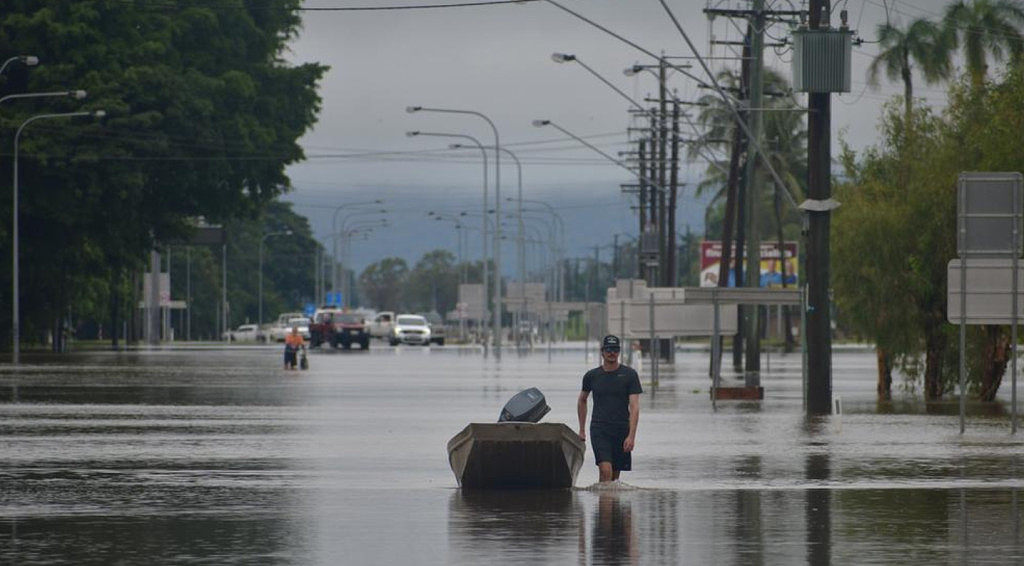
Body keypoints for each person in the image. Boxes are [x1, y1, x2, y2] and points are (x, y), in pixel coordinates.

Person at [577, 334, 642, 482]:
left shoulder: (630, 375)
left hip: (621, 429)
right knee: (605, 471)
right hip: (600, 429)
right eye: (608, 349)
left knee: (614, 478)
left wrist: (631, 436)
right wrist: (581, 429)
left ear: (619, 352)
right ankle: (605, 504)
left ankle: (608, 504)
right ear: (602, 352)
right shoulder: (592, 376)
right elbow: (582, 400)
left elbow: (634, 407)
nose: (612, 353)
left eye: (615, 349)